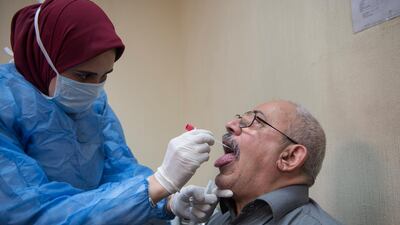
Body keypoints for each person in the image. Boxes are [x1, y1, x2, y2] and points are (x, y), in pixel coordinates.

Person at [0, 0, 226, 224]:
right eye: (84, 76)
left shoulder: (94, 103)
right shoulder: (5, 105)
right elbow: (28, 213)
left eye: (104, 76)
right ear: (43, 61)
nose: (94, 88)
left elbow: (122, 172)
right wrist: (159, 183)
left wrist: (166, 203)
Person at [190, 100, 343, 224]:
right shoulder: (216, 220)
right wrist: (170, 206)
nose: (230, 124)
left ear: (290, 157)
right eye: (240, 118)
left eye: (257, 121)